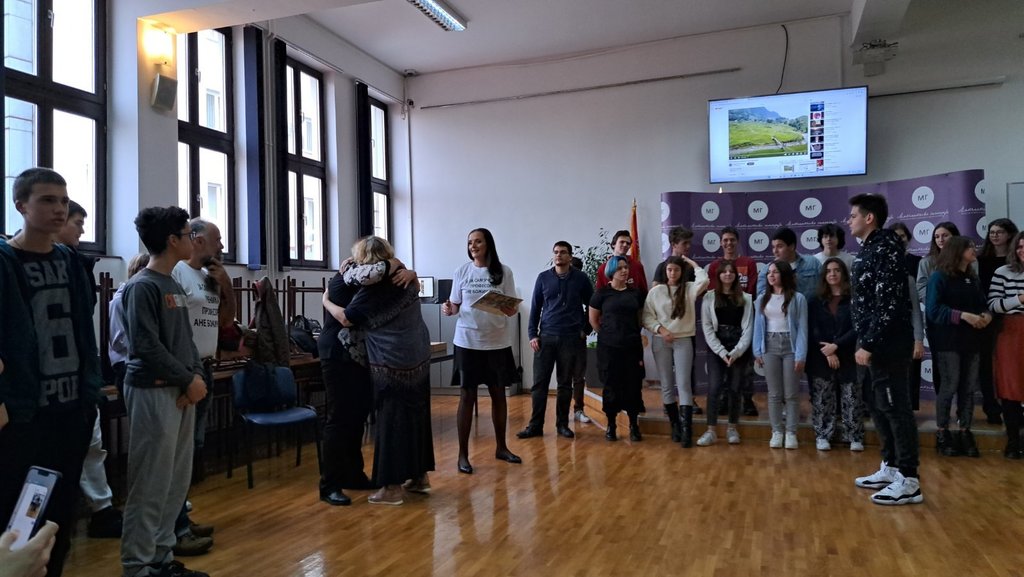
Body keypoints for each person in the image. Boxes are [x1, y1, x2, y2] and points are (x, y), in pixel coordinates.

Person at [0, 168, 102, 577]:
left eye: (63, 200)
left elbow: (85, 332)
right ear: (21, 206)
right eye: (47, 200)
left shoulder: (72, 262)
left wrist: (89, 396)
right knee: (15, 516)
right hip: (25, 414)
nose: (60, 209)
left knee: (60, 516)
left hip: (72, 409)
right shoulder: (6, 262)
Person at [120, 206, 209, 577]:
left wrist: (194, 377)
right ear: (172, 240)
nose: (193, 240)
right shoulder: (142, 286)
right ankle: (138, 565)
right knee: (150, 483)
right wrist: (187, 379)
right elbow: (145, 346)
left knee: (174, 481)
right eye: (188, 234)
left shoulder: (172, 283)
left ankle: (161, 557)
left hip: (181, 391)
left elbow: (186, 341)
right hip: (154, 391)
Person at [331, 236, 434, 505]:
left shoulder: (377, 287)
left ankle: (391, 488)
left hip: (392, 362)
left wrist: (326, 300)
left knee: (391, 422)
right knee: (416, 418)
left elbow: (347, 318)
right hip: (418, 356)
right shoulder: (404, 276)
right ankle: (419, 477)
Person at [50, 200, 123, 539]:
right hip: (50, 376)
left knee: (91, 444)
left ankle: (101, 510)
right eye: (77, 222)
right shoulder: (18, 262)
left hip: (79, 371)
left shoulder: (78, 264)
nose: (81, 229)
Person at [848, 193, 922, 506]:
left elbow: (888, 303)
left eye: (853, 216)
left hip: (887, 345)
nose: (849, 221)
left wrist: (869, 342)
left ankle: (909, 479)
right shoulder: (869, 248)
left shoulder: (887, 248)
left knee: (896, 408)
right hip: (873, 343)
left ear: (869, 218)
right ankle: (891, 467)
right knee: (878, 406)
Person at [170, 218, 233, 551]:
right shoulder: (177, 273)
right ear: (196, 239)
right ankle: (174, 528)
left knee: (191, 450)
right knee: (178, 454)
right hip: (186, 372)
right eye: (217, 239)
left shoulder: (209, 277)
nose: (221, 246)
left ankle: (181, 520)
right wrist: (185, 375)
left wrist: (227, 286)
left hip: (206, 368)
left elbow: (225, 322)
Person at [444, 229, 521, 474]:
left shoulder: (504, 272)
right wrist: (448, 309)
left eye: (478, 241)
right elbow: (455, 305)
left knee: (499, 395)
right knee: (467, 396)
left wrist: (509, 308)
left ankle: (502, 448)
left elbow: (512, 307)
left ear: (488, 244)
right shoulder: (461, 271)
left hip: (497, 342)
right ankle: (462, 455)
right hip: (467, 341)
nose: (473, 246)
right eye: (470, 242)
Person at [926, 236, 990, 458]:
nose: (974, 249)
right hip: (948, 341)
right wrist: (963, 315)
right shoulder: (939, 277)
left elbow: (983, 304)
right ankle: (942, 431)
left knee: (968, 387)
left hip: (972, 340)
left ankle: (965, 430)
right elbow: (933, 310)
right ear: (957, 251)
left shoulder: (972, 278)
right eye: (969, 246)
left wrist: (986, 316)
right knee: (950, 385)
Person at [523, 241, 594, 439]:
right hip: (546, 337)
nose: (558, 255)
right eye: (555, 252)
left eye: (563, 252)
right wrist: (532, 334)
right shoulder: (543, 278)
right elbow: (535, 307)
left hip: (571, 338)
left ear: (570, 257)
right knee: (539, 384)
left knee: (564, 384)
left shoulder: (580, 278)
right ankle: (535, 426)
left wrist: (585, 330)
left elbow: (592, 305)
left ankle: (562, 425)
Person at [642, 255, 708, 447]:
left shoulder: (689, 288)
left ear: (682, 271)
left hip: (683, 339)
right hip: (661, 340)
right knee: (666, 384)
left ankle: (687, 430)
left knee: (684, 384)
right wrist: (661, 330)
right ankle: (675, 426)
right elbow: (647, 317)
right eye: (669, 269)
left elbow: (704, 281)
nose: (672, 273)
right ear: (665, 271)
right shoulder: (656, 292)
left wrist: (692, 264)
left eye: (677, 270)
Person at [806, 258, 864, 452]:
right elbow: (813, 328)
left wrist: (836, 346)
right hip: (821, 355)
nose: (832, 274)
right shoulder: (814, 300)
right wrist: (828, 351)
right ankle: (823, 435)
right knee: (823, 397)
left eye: (837, 270)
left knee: (851, 396)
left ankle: (854, 436)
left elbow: (857, 327)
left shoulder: (854, 298)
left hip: (848, 354)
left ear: (844, 274)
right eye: (829, 271)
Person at [753, 260, 808, 450]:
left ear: (784, 274)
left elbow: (802, 329)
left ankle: (791, 432)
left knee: (791, 393)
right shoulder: (762, 298)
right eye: (769, 272)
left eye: (775, 272)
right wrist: (757, 350)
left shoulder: (798, 298)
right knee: (774, 393)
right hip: (770, 345)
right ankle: (777, 431)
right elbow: (758, 326)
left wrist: (801, 355)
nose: (771, 275)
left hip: (790, 346)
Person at [590, 256, 646, 441]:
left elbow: (640, 319)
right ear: (611, 271)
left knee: (633, 385)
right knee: (611, 386)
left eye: (626, 267)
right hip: (609, 349)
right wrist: (608, 335)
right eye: (620, 268)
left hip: (631, 347)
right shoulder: (601, 294)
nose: (624, 271)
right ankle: (611, 425)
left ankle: (633, 425)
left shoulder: (635, 293)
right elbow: (593, 320)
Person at [697, 260, 753, 446]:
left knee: (735, 388)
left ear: (736, 275)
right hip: (717, 347)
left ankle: (732, 428)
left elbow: (748, 329)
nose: (728, 274)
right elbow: (707, 327)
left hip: (739, 347)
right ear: (718, 275)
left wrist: (736, 352)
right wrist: (722, 352)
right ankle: (711, 431)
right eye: (724, 272)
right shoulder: (709, 297)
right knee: (714, 388)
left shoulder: (746, 298)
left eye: (731, 271)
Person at [707, 226, 759, 417]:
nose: (729, 243)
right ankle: (723, 401)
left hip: (743, 318)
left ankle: (747, 400)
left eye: (732, 240)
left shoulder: (749, 263)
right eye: (725, 240)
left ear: (737, 242)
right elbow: (713, 293)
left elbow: (752, 290)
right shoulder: (714, 266)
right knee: (722, 366)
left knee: (745, 367)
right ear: (721, 243)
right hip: (722, 320)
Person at [976, 218, 1018, 425]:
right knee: (986, 363)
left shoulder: (1016, 261)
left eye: (999, 232)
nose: (994, 235)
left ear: (1009, 235)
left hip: (1012, 318)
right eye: (991, 232)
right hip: (986, 316)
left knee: (1011, 364)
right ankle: (991, 406)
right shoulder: (980, 260)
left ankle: (1014, 407)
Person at [987, 230, 1024, 459]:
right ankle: (1013, 441)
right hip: (1011, 331)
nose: (1022, 251)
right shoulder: (1003, 272)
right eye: (1019, 247)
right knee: (1010, 387)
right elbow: (993, 305)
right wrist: (1018, 299)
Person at [888, 222, 926, 410]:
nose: (898, 240)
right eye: (894, 236)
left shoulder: (915, 264)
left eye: (902, 236)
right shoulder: (880, 266)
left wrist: (918, 338)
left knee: (909, 374)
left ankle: (908, 412)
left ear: (908, 238)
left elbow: (915, 307)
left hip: (907, 330)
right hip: (886, 334)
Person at [756, 227, 821, 299]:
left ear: (792, 246)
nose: (775, 251)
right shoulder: (766, 270)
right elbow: (761, 298)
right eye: (773, 247)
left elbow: (824, 289)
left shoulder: (812, 263)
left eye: (779, 246)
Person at [569, 256, 593, 423]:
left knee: (578, 376)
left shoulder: (582, 282)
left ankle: (578, 409)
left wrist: (586, 329)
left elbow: (591, 306)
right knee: (563, 377)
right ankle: (562, 413)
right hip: (559, 335)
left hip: (578, 335)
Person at [595, 230, 648, 295]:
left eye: (628, 243)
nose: (625, 245)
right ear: (613, 244)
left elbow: (643, 291)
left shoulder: (637, 266)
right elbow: (599, 293)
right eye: (622, 242)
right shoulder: (603, 268)